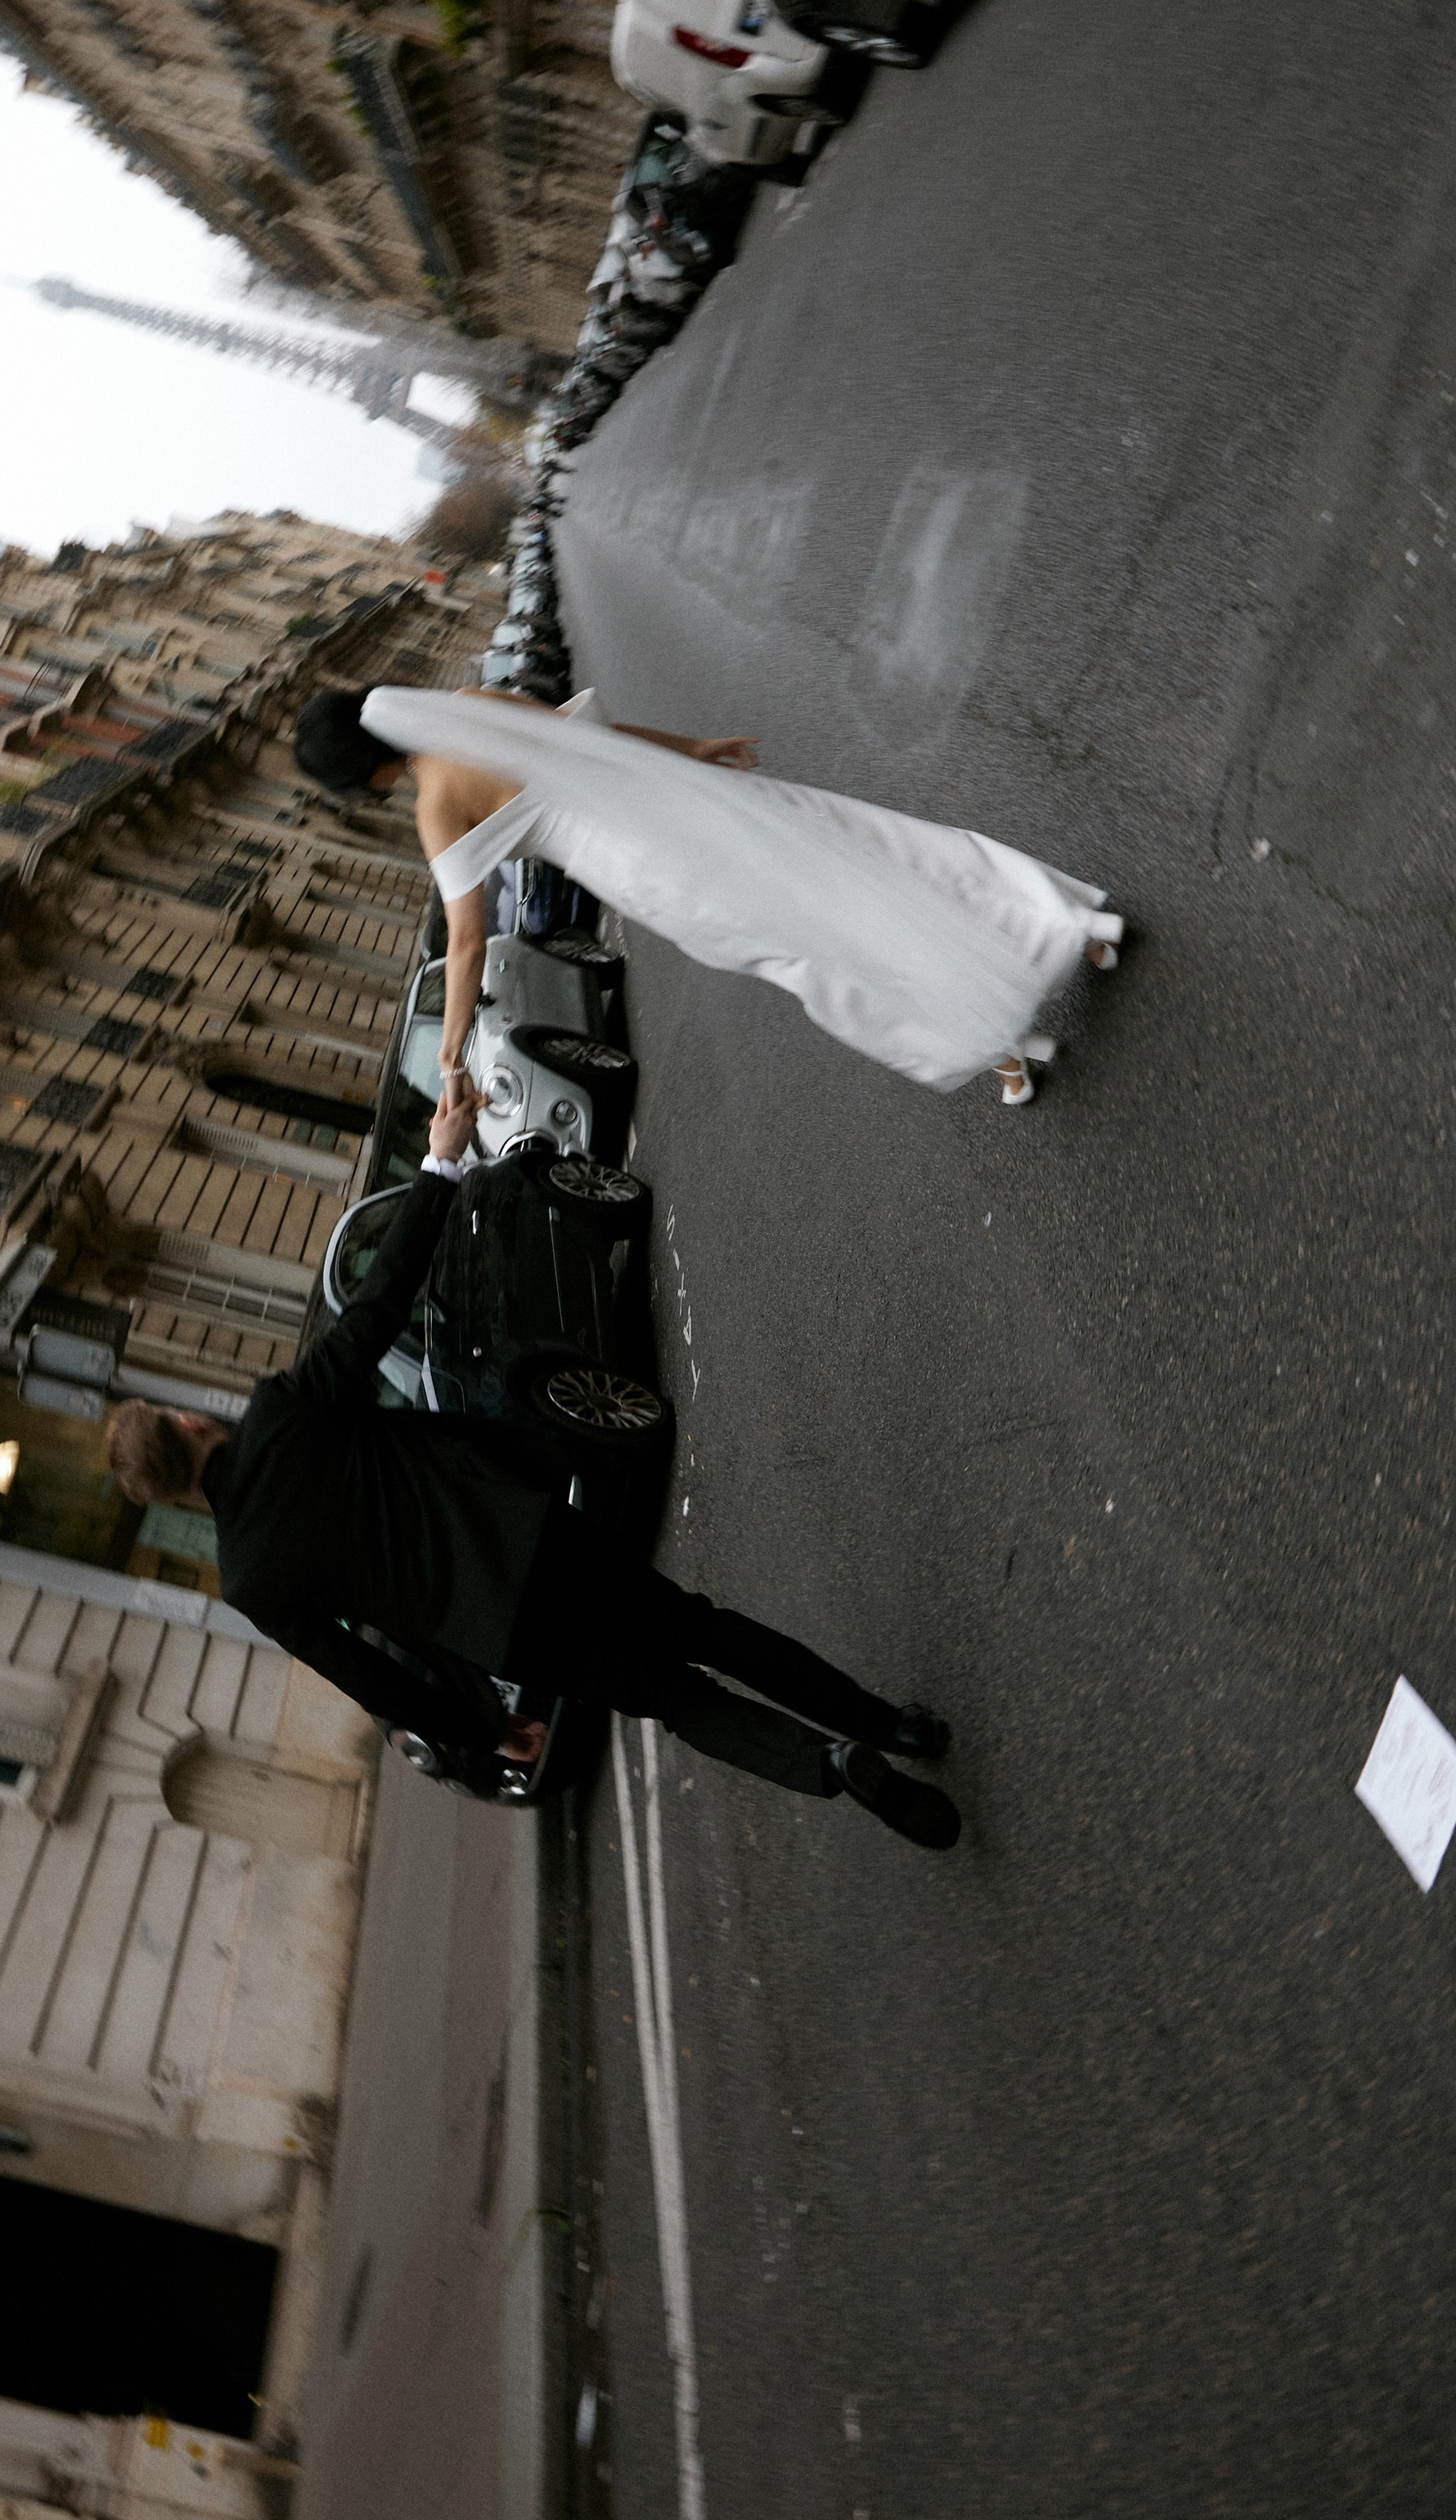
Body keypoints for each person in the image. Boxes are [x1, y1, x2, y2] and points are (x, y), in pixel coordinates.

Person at [106, 1088, 961, 1850]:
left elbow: (369, 1675)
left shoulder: (250, 1578)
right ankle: (887, 1725)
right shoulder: (281, 1411)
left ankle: (831, 1762)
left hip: (502, 1632)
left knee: (670, 1696)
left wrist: (484, 1729)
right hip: (526, 1532)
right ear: (185, 1422)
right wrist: (438, 1161)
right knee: (702, 1627)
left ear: (174, 1489)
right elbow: (377, 1307)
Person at [290, 682, 1124, 1108]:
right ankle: (1071, 925)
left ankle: (1003, 1050)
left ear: (358, 777)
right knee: (879, 853)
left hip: (662, 875)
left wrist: (451, 1045)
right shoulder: (473, 705)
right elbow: (599, 738)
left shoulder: (438, 806)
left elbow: (467, 942)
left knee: (828, 957)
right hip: (690, 804)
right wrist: (693, 748)